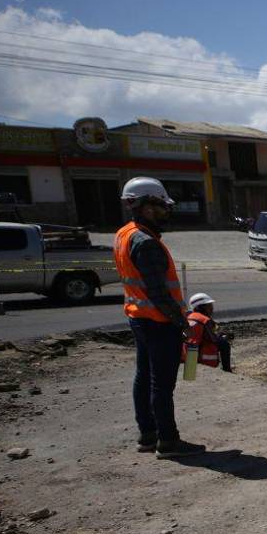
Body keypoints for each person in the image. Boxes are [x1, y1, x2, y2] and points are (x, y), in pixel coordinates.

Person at [112, 177, 205, 457]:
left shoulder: (124, 234)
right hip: (158, 323)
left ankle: (148, 436)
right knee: (161, 385)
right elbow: (159, 293)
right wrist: (183, 323)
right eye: (163, 206)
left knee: (144, 378)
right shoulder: (146, 243)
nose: (167, 211)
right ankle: (168, 441)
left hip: (139, 319)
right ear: (148, 206)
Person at [184, 292, 233, 372]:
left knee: (190, 375)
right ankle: (227, 370)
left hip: (188, 354)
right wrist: (222, 337)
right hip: (199, 355)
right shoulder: (204, 319)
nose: (212, 308)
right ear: (201, 307)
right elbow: (212, 339)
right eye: (209, 306)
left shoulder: (189, 317)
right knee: (224, 344)